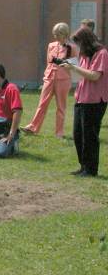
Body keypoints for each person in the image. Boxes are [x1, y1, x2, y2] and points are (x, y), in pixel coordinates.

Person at [60, 28, 108, 176]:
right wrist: (71, 69)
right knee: (78, 134)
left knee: (89, 136)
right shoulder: (85, 55)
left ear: (86, 40)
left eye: (79, 42)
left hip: (95, 100)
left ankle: (91, 169)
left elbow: (94, 76)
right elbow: (81, 75)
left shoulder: (102, 54)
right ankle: (83, 166)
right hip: (81, 98)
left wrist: (74, 67)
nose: (79, 46)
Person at [21, 22, 76, 138]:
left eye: (57, 34)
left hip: (63, 79)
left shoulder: (72, 47)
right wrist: (47, 75)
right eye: (54, 34)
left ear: (64, 34)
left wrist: (64, 63)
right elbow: (48, 62)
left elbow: (74, 65)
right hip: (49, 77)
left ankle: (59, 133)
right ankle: (33, 127)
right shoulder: (51, 45)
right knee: (42, 104)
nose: (55, 36)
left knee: (61, 106)